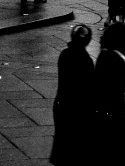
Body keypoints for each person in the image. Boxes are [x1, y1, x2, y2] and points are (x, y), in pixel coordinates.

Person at [94, 23, 125, 166]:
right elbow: (106, 81)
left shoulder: (111, 53)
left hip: (111, 105)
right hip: (111, 106)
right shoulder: (112, 56)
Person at [50, 24, 95, 165]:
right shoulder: (85, 60)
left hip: (62, 104)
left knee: (62, 141)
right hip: (78, 109)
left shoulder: (64, 53)